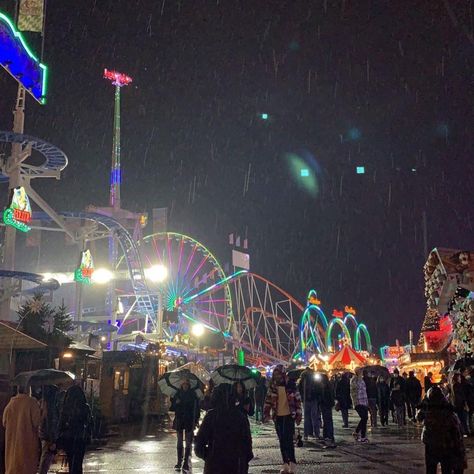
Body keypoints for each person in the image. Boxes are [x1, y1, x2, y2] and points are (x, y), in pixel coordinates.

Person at [195, 384, 253, 474]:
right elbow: (247, 446)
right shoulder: (240, 417)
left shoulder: (211, 416)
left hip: (214, 466)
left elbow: (199, 444)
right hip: (235, 465)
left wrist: (209, 455)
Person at [417, 386, 467, 474]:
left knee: (431, 468)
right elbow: (457, 434)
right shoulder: (447, 410)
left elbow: (418, 416)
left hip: (431, 444)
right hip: (445, 444)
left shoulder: (428, 410)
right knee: (446, 468)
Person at [264, 366, 302, 474]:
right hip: (278, 416)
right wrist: (266, 413)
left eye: (278, 374)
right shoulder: (272, 386)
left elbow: (297, 400)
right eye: (275, 374)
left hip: (289, 415)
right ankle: (285, 463)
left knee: (288, 440)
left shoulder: (291, 385)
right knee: (281, 440)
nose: (276, 376)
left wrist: (299, 414)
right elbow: (268, 400)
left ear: (283, 374)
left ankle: (292, 463)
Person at [2, 386, 41, 474]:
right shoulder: (31, 402)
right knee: (26, 467)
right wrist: (42, 411)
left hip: (12, 444)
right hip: (27, 444)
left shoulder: (10, 404)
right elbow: (36, 421)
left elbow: (4, 422)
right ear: (28, 390)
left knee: (13, 466)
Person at [57, 384, 92, 474]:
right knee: (78, 462)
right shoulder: (85, 407)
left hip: (68, 439)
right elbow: (90, 423)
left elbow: (61, 424)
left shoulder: (66, 408)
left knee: (70, 461)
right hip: (81, 439)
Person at [171, 379, 200, 472]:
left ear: (189, 385)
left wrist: (196, 420)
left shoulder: (193, 395)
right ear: (181, 385)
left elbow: (196, 408)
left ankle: (186, 463)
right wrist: (176, 402)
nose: (185, 386)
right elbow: (172, 408)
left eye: (186, 384)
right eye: (183, 384)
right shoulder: (177, 394)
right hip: (179, 419)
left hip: (189, 420)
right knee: (179, 441)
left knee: (188, 443)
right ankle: (179, 462)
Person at [38, 385, 60, 474]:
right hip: (48, 437)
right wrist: (52, 439)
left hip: (45, 435)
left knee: (46, 459)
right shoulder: (49, 407)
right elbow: (49, 423)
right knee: (45, 460)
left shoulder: (43, 404)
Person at [297, 368, 320, 439]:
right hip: (313, 400)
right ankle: (316, 434)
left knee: (307, 418)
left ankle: (306, 435)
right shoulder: (314, 379)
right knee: (314, 417)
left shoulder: (302, 380)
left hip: (305, 400)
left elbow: (299, 390)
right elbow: (318, 389)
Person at [350, 371, 369, 443]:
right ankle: (361, 435)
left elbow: (364, 391)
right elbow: (354, 388)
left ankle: (359, 433)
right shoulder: (354, 380)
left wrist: (367, 402)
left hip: (364, 401)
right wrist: (358, 379)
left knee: (365, 418)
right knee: (364, 418)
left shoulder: (362, 380)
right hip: (358, 401)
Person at [318, 373, 336, 447]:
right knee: (327, 421)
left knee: (327, 421)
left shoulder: (324, 386)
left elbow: (323, 396)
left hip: (325, 405)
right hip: (328, 404)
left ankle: (329, 437)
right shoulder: (328, 385)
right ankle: (327, 436)